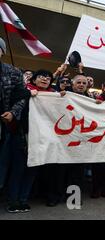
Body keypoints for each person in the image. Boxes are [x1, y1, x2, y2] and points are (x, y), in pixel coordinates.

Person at [7, 70, 58, 213]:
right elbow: (12, 98)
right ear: (34, 80)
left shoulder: (53, 95)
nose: (45, 79)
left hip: (42, 139)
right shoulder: (24, 90)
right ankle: (13, 201)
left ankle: (23, 200)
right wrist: (29, 93)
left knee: (32, 169)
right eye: (41, 77)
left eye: (48, 78)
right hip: (23, 135)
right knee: (18, 169)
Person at [0, 37, 27, 192]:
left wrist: (13, 112)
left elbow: (22, 96)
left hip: (4, 125)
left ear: (2, 51)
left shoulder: (13, 72)